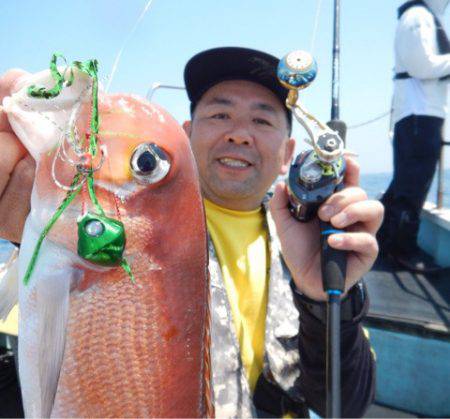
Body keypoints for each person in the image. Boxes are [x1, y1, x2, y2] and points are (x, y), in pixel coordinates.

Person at [0, 47, 383, 417]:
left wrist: (324, 299)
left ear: (288, 153)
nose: (239, 134)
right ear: (185, 133)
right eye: (219, 114)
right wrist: (30, 233)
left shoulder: (310, 240)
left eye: (262, 120)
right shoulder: (122, 219)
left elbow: (346, 405)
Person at [378, 0, 450, 272]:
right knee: (412, 187)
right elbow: (424, 66)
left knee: (405, 184)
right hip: (419, 114)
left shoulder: (419, 16)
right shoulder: (418, 16)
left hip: (419, 115)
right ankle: (402, 250)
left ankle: (385, 240)